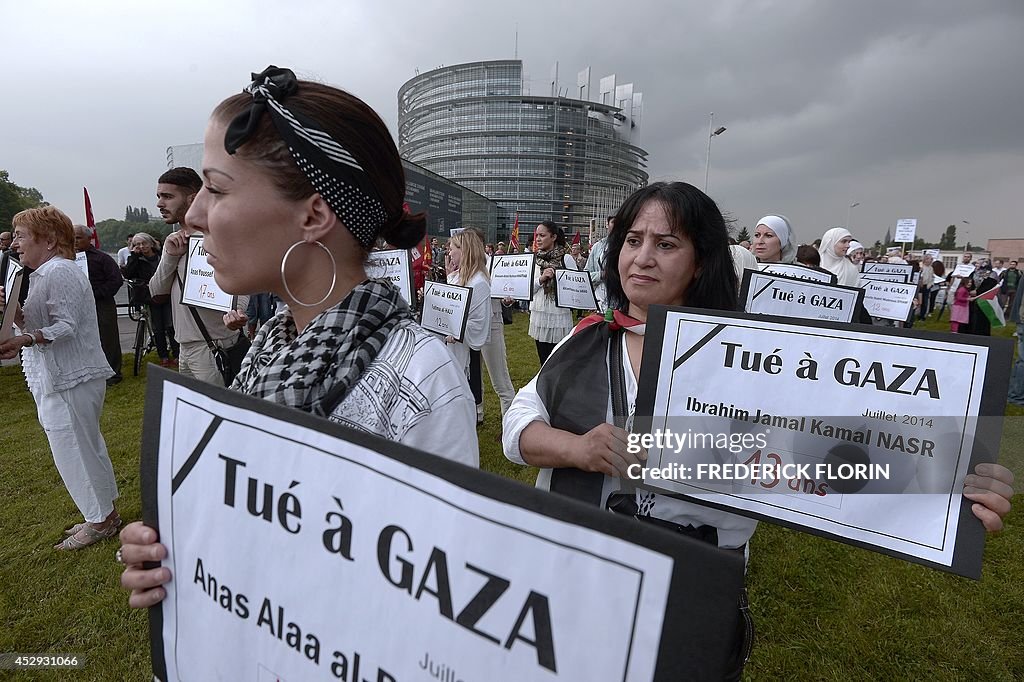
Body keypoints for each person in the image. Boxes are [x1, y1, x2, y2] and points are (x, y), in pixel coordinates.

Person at [502, 181, 1014, 679]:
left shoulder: (753, 358)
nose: (643, 257)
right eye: (633, 241)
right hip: (580, 566)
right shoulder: (587, 338)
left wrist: (950, 483)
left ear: (700, 260)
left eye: (666, 244)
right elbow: (517, 426)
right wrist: (576, 448)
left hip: (690, 578)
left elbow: (841, 449)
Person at [119, 66, 480, 607]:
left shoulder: (422, 379)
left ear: (314, 214)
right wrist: (179, 553)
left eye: (215, 188)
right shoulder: (271, 344)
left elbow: (435, 602)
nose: (193, 214)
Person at [0, 207, 120, 549]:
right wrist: (15, 315)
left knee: (74, 450)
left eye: (22, 235)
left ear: (49, 240)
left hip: (71, 377)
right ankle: (104, 514)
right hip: (62, 376)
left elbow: (65, 327)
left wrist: (25, 338)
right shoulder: (43, 273)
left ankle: (99, 521)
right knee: (83, 447)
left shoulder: (59, 272)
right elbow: (41, 323)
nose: (16, 243)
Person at [148, 166, 249, 384]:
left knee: (221, 412)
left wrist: (237, 312)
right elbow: (156, 293)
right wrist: (170, 256)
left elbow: (240, 280)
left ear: (191, 198)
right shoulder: (174, 240)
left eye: (167, 196)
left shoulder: (216, 236)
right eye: (158, 196)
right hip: (184, 345)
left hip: (214, 344)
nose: (159, 203)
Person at [441, 229, 491, 422]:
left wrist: (458, 330)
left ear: (465, 250)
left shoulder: (478, 283)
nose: (449, 253)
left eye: (452, 248)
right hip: (451, 347)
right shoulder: (457, 276)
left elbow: (479, 323)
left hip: (464, 350)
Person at [73, 224, 124, 384]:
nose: (74, 241)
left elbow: (116, 280)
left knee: (107, 338)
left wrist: (97, 294)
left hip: (101, 304)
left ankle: (113, 374)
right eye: (72, 237)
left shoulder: (102, 258)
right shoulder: (66, 258)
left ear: (89, 239)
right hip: (77, 305)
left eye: (78, 238)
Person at [123, 232, 179, 365]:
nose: (141, 247)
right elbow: (128, 273)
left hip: (166, 294)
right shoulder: (136, 259)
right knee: (157, 327)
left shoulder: (161, 257)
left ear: (151, 243)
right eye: (137, 244)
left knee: (171, 325)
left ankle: (177, 354)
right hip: (149, 297)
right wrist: (134, 257)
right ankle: (163, 355)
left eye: (144, 243)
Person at [529, 220, 576, 364]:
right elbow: (528, 289)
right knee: (543, 361)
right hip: (540, 315)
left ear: (553, 237)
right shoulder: (535, 259)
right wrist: (541, 279)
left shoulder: (566, 259)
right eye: (537, 235)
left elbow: (576, 289)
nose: (538, 239)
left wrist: (560, 279)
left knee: (560, 361)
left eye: (542, 235)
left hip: (559, 316)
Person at [585, 216, 614, 311]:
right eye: (614, 222)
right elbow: (586, 275)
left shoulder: (630, 247)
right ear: (607, 224)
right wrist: (601, 275)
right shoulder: (598, 247)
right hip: (600, 301)